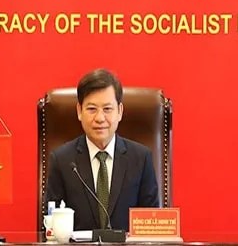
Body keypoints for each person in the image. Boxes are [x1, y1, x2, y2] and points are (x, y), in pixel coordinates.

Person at [44, 68, 160, 232]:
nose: (100, 118)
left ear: (120, 111)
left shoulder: (141, 159)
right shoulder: (62, 160)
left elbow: (152, 229)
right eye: (92, 109)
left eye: (107, 109)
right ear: (79, 111)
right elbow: (50, 227)